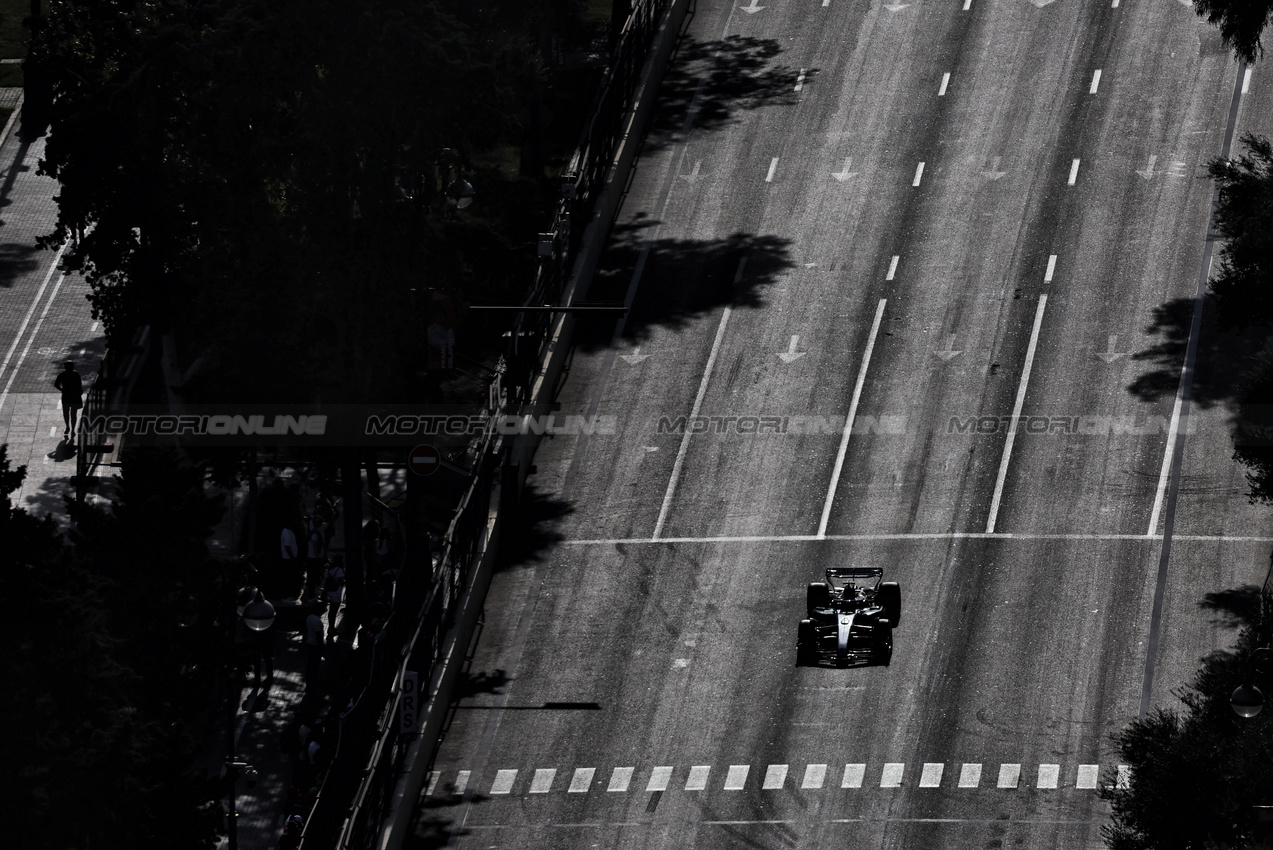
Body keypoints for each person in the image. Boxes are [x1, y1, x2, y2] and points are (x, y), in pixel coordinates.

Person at [53, 360, 83, 437]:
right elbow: (79, 385)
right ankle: (73, 429)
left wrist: (62, 390)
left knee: (66, 413)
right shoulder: (76, 374)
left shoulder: (62, 375)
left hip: (66, 395)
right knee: (74, 413)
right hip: (74, 396)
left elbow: (56, 384)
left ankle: (67, 426)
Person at [323, 557, 346, 640]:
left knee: (331, 609)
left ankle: (331, 627)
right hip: (336, 592)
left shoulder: (330, 569)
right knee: (334, 610)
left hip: (330, 591)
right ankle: (332, 628)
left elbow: (325, 576)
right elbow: (340, 580)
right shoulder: (339, 570)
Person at [304, 602, 325, 685]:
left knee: (310, 662)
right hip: (315, 645)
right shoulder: (317, 621)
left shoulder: (309, 617)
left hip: (309, 642)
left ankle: (309, 678)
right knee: (315, 663)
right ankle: (313, 679)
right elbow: (318, 635)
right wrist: (322, 646)